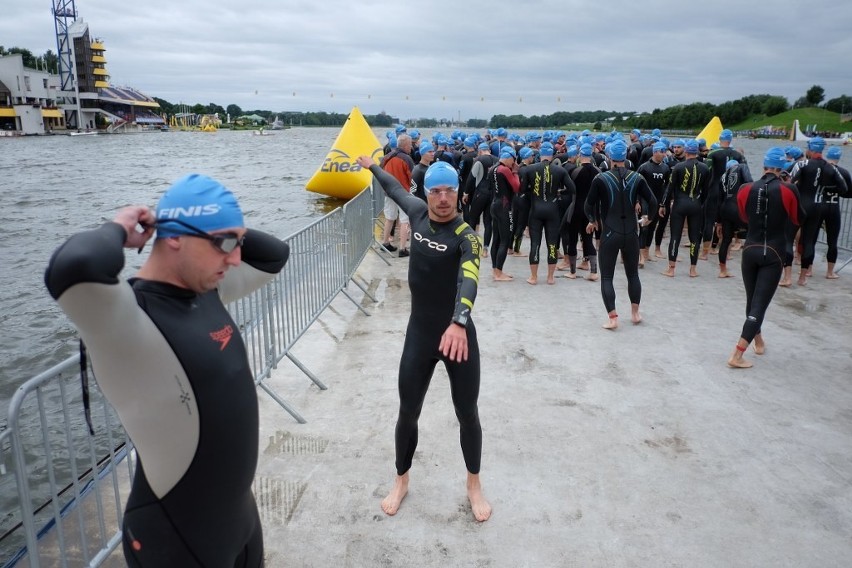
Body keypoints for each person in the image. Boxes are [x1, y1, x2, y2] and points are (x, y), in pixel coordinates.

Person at [44, 174, 290, 567]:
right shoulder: (126, 319)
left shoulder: (208, 288)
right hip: (174, 538)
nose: (236, 258)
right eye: (225, 242)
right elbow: (74, 265)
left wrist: (213, 226)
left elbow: (275, 254)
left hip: (239, 521)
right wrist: (121, 225)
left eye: (238, 242)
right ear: (174, 237)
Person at [356, 155, 491, 522]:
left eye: (449, 190)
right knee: (407, 411)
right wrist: (372, 165)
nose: (443, 197)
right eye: (436, 190)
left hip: (457, 337)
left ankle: (473, 483)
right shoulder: (416, 213)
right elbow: (393, 187)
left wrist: (459, 320)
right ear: (427, 193)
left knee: (467, 413)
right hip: (420, 334)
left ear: (458, 194)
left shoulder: (466, 238)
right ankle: (401, 480)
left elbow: (470, 277)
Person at [728, 148, 801, 368]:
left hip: (750, 249)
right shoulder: (788, 190)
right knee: (759, 306)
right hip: (774, 252)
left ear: (764, 166)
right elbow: (799, 218)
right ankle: (737, 355)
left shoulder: (745, 188)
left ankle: (758, 341)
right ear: (783, 169)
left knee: (752, 301)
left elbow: (743, 217)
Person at [584, 139, 657, 329]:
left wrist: (592, 221)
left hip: (610, 232)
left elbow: (588, 205)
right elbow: (653, 201)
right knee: (633, 275)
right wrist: (649, 218)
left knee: (607, 277)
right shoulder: (637, 177)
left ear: (609, 157)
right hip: (632, 232)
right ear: (624, 157)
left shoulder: (601, 178)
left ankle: (613, 318)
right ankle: (635, 313)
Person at [791, 137, 848, 285]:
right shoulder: (831, 168)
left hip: (801, 205)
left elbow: (789, 183)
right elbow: (844, 189)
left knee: (789, 237)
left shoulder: (802, 164)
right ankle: (803, 278)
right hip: (819, 205)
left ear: (810, 149)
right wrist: (825, 189)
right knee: (812, 241)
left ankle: (787, 275)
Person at [524, 142, 576, 284]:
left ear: (539, 155)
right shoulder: (560, 171)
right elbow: (572, 188)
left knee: (535, 243)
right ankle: (550, 277)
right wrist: (559, 191)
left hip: (536, 210)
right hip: (553, 211)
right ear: (552, 156)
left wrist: (534, 192)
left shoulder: (530, 169)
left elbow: (522, 190)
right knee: (552, 244)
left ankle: (534, 277)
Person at [660, 140, 711, 277]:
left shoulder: (678, 167)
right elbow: (706, 191)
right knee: (694, 237)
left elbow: (669, 188)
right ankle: (693, 270)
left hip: (679, 204)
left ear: (686, 151)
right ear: (697, 151)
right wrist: (700, 204)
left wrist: (662, 204)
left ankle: (671, 269)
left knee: (675, 236)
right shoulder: (705, 168)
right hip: (696, 204)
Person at [636, 142, 671, 267]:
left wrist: (664, 203)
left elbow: (667, 186)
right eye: (662, 152)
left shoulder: (666, 168)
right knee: (644, 228)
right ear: (655, 152)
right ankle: (640, 257)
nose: (664, 154)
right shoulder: (644, 167)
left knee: (651, 228)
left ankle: (646, 252)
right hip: (644, 201)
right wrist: (637, 201)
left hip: (656, 201)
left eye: (664, 152)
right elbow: (636, 186)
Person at [380, 134, 415, 257]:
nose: (411, 147)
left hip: (389, 192)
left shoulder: (386, 158)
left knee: (390, 217)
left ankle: (385, 243)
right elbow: (412, 177)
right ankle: (402, 248)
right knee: (404, 220)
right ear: (405, 145)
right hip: (403, 193)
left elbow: (380, 173)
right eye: (410, 145)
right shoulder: (406, 159)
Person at [717, 159, 753, 277]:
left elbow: (719, 199)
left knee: (726, 240)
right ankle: (752, 269)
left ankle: (723, 270)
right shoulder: (741, 167)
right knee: (752, 237)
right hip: (737, 207)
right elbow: (750, 184)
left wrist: (719, 221)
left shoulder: (723, 176)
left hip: (725, 208)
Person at [490, 146, 520, 281]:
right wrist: (515, 172)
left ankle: (495, 270)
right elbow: (516, 187)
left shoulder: (493, 169)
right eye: (513, 160)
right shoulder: (505, 170)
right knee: (505, 240)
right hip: (504, 207)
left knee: (496, 239)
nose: (514, 163)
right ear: (508, 158)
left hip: (495, 204)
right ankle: (499, 273)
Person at [822, 146, 852, 278]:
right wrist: (837, 191)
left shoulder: (821, 169)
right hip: (833, 208)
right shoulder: (844, 172)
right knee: (832, 242)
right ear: (839, 158)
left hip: (818, 207)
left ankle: (808, 270)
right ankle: (830, 272)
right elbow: (848, 192)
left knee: (810, 238)